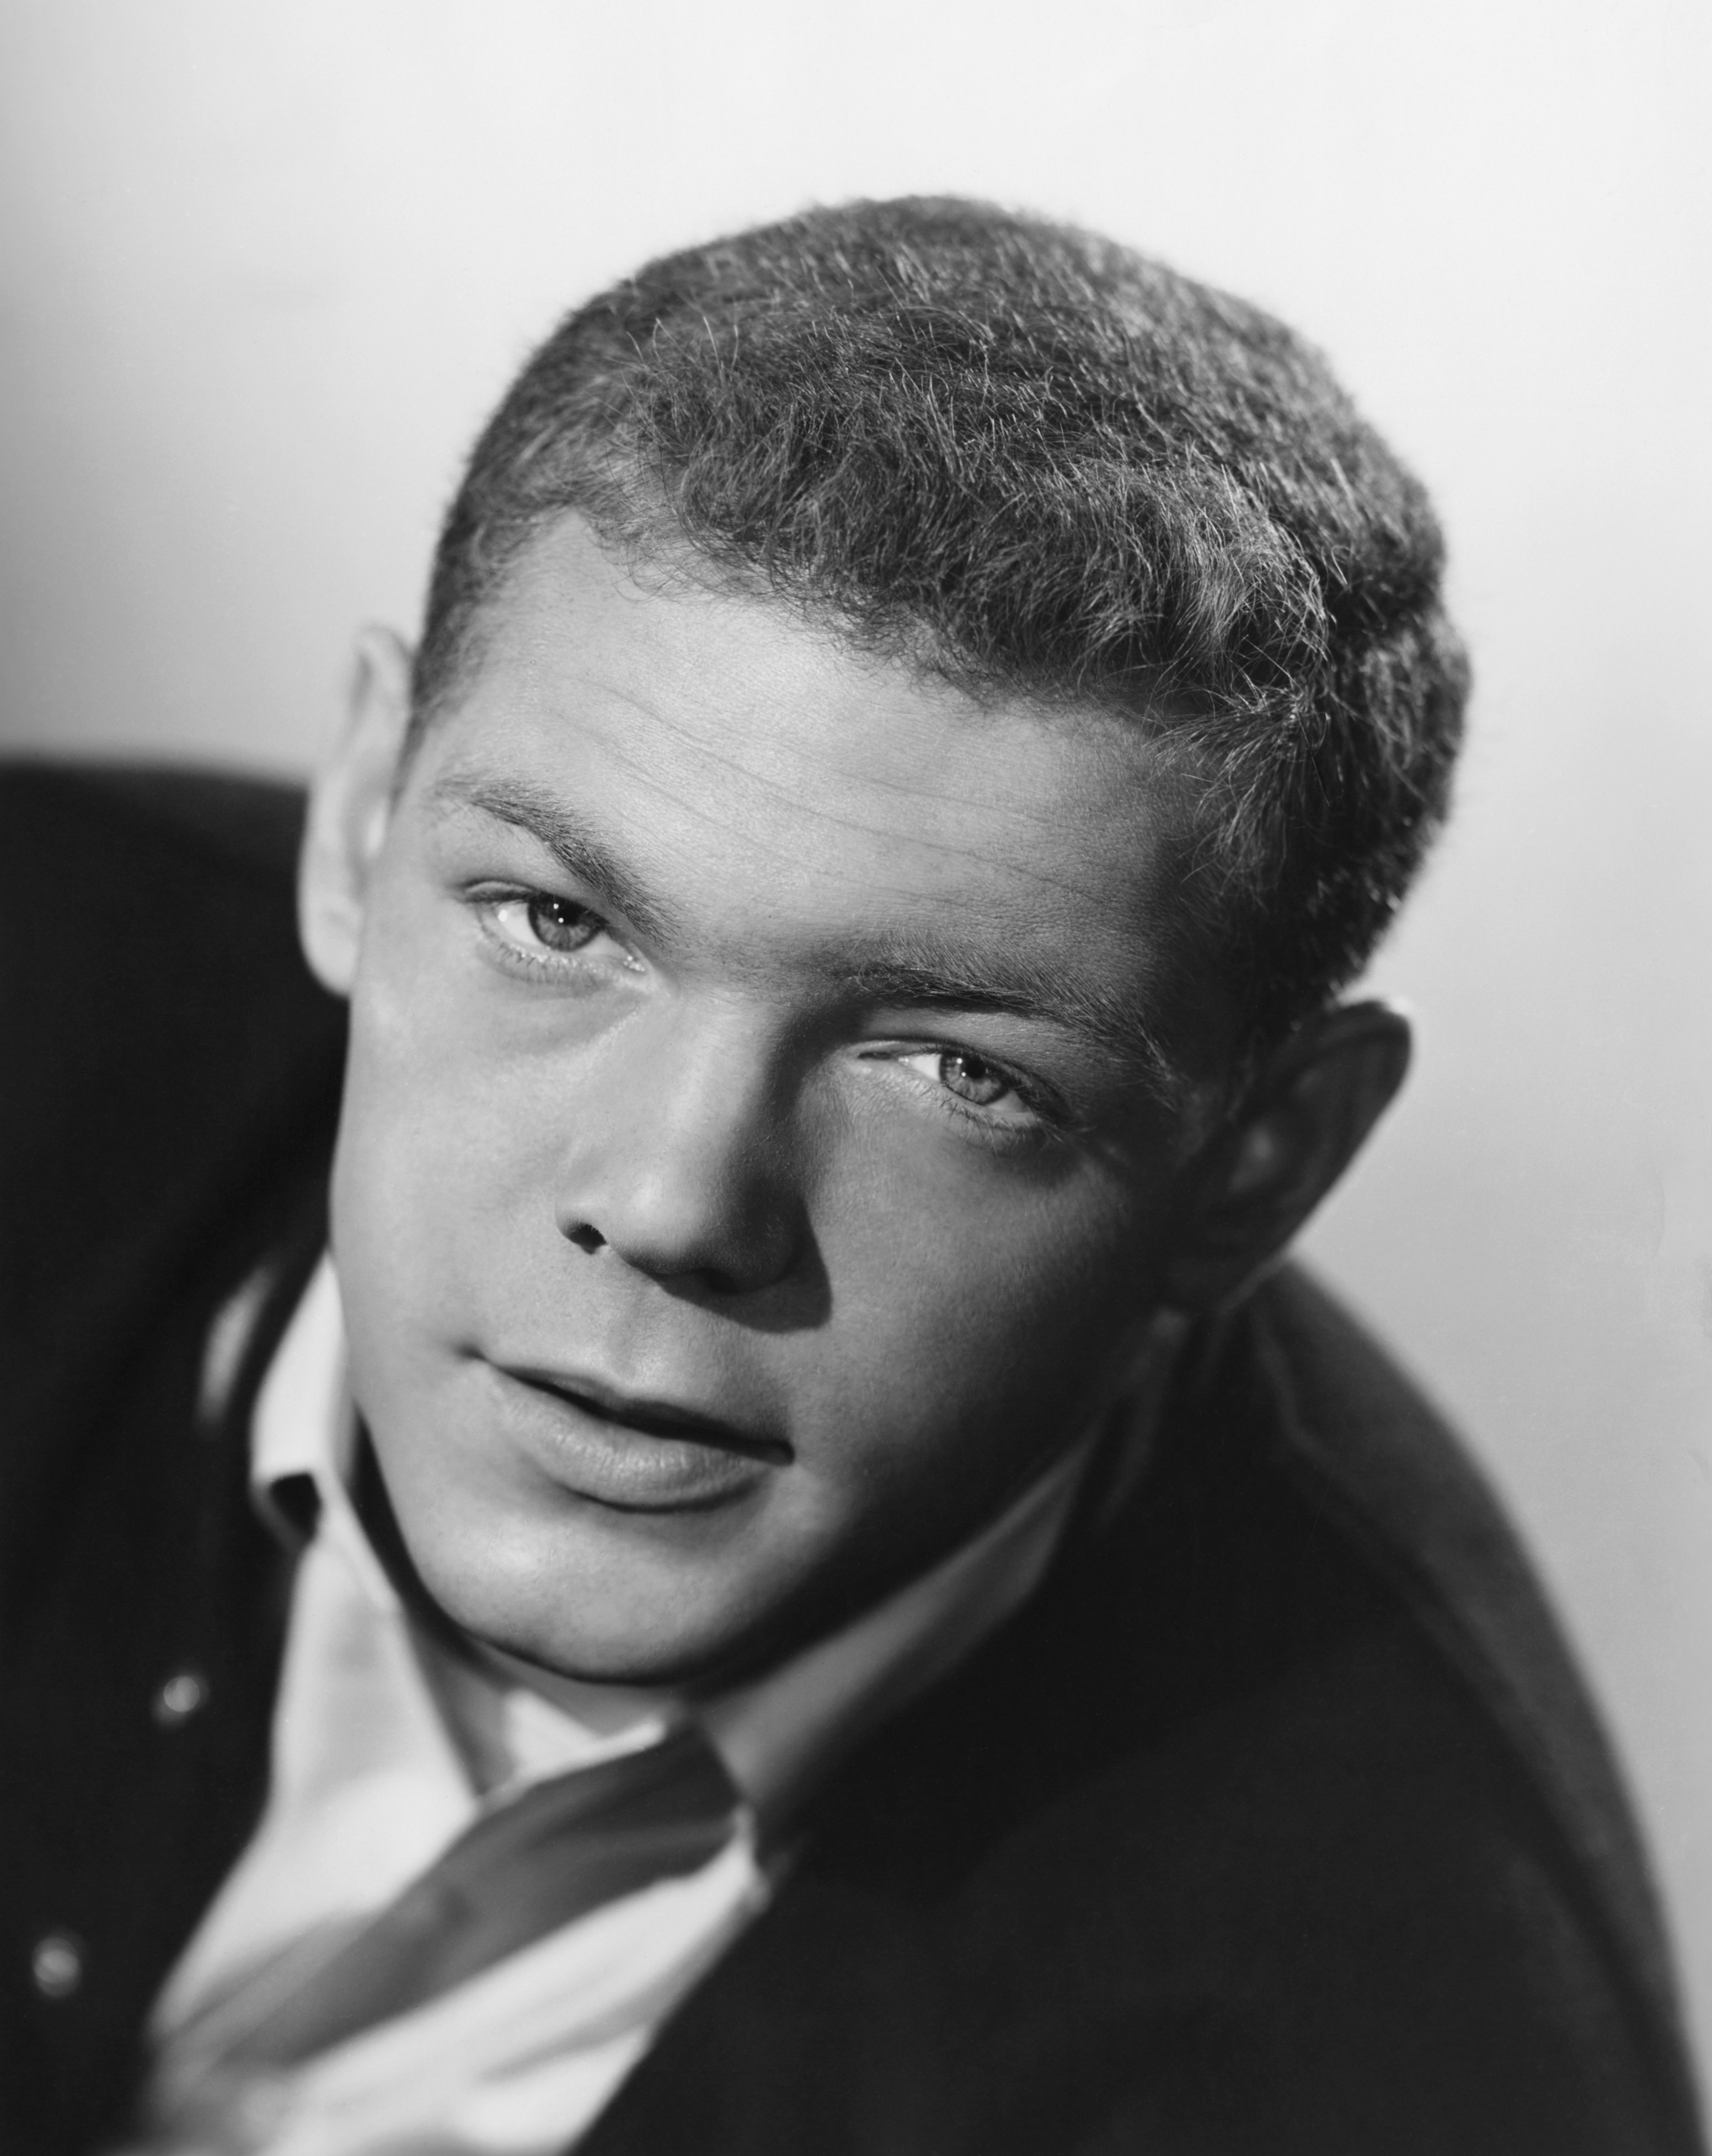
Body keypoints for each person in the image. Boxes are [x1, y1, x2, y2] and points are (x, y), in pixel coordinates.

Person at [0, 196, 1700, 2155]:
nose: (670, 1200)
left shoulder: (1385, 2064)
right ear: (363, 816)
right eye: (557, 923)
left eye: (958, 1071)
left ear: (1261, 1165)